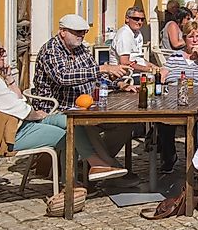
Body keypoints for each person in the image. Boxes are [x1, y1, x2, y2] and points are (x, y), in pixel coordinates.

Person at [33, 15, 136, 181]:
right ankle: (107, 167)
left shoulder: (81, 49)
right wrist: (102, 68)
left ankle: (92, 166)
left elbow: (93, 76)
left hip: (85, 105)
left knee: (125, 123)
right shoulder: (51, 50)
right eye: (77, 33)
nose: (81, 36)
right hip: (55, 109)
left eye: (83, 33)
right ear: (63, 32)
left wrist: (118, 85)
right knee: (83, 124)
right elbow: (63, 77)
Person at [158, 20, 198, 173]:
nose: (195, 40)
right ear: (184, 39)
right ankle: (169, 156)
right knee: (162, 120)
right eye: (191, 37)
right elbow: (163, 75)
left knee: (196, 124)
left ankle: (194, 160)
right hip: (173, 98)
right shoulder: (175, 56)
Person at [0, 38, 65, 154]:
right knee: (68, 136)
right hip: (14, 134)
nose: (4, 55)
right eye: (0, 51)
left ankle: (97, 165)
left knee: (67, 122)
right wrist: (38, 115)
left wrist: (9, 80)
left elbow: (19, 102)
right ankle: (91, 166)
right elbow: (24, 111)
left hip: (23, 124)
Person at [110, 6, 154, 72]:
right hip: (125, 75)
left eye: (142, 19)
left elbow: (137, 58)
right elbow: (124, 62)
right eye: (136, 19)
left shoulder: (137, 33)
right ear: (127, 19)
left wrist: (153, 66)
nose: (140, 22)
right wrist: (148, 69)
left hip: (136, 72)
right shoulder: (124, 34)